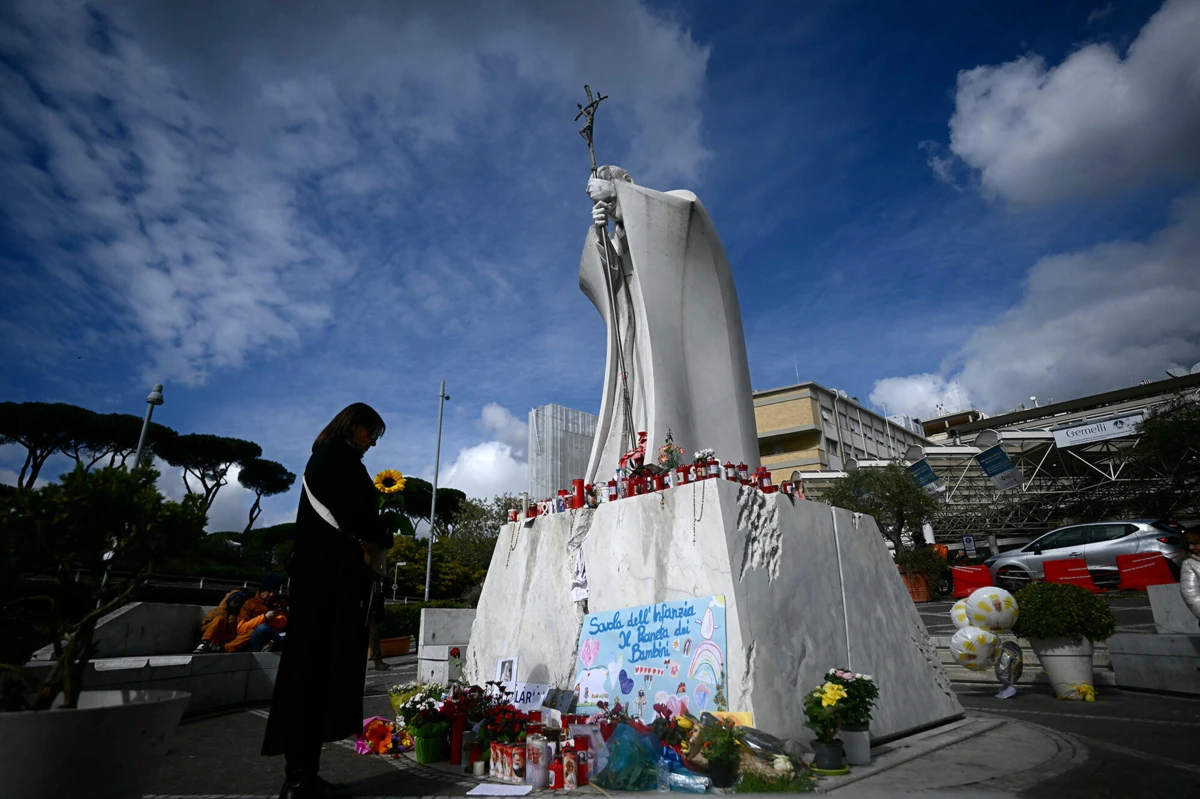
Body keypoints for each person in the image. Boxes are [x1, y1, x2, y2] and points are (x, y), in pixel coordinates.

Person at [262, 403, 394, 799]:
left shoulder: (322, 459)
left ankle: (301, 776)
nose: (372, 442)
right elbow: (357, 514)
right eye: (370, 433)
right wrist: (381, 531)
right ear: (354, 426)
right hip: (330, 584)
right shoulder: (339, 459)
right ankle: (300, 780)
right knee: (317, 673)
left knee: (310, 674)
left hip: (315, 581)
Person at [236, 574, 290, 653]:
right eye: (269, 591)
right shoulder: (249, 604)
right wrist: (264, 618)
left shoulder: (280, 603)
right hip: (254, 639)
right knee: (262, 628)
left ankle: (274, 643)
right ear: (262, 590)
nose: (272, 594)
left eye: (275, 592)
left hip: (274, 634)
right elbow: (241, 628)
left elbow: (282, 622)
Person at [1181, 530, 1200, 630]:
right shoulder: (1189, 564)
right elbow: (1190, 594)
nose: (1191, 548)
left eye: (1195, 543)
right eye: (1189, 544)